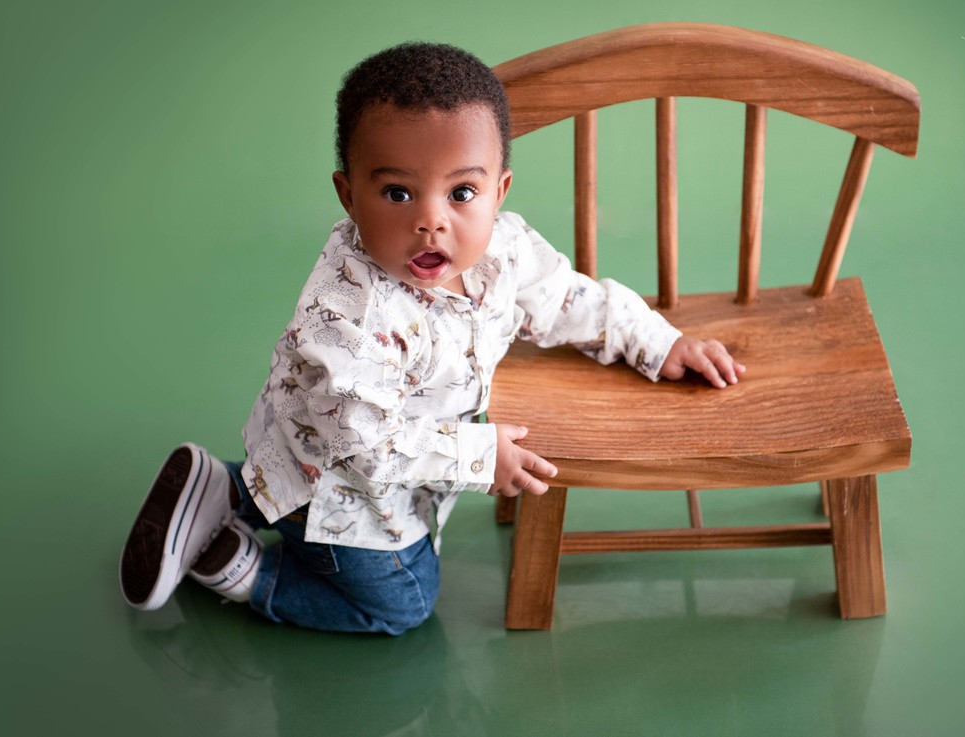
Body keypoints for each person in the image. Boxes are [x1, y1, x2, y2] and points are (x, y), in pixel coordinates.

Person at [119, 42, 745, 634]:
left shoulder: (504, 248)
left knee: (294, 495)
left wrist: (658, 343)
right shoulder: (350, 315)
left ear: (498, 192)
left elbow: (570, 300)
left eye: (462, 192)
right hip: (347, 493)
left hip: (319, 458)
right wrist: (479, 457)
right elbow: (364, 444)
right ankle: (244, 571)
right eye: (398, 193)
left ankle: (225, 488)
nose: (430, 220)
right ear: (349, 196)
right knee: (406, 601)